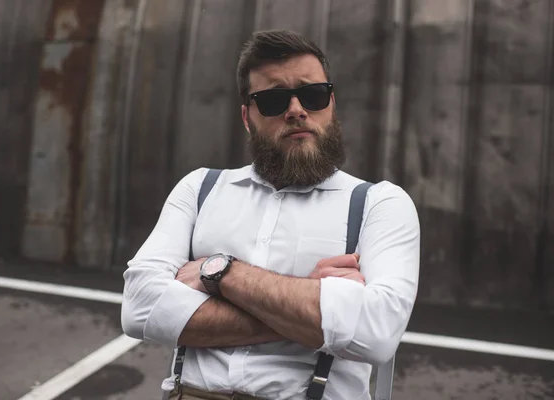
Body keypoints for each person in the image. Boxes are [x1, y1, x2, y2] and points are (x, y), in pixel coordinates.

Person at [121, 29, 420, 400]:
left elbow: (376, 333)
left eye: (313, 94)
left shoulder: (381, 203)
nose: (296, 110)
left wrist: (222, 272)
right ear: (247, 117)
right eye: (274, 100)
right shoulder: (200, 189)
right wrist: (309, 299)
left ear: (331, 103)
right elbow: (140, 308)